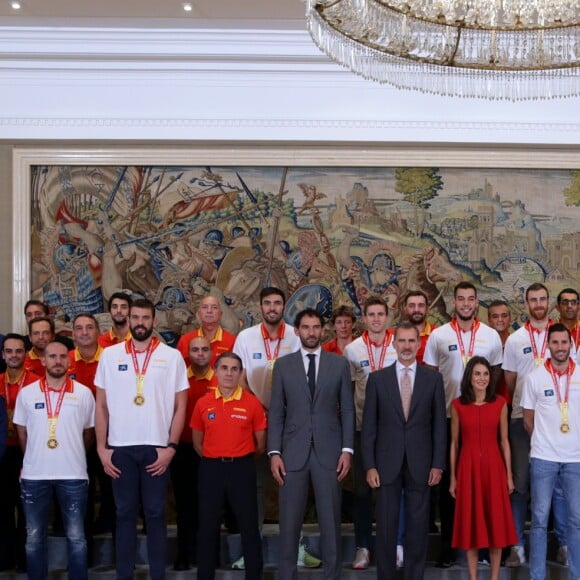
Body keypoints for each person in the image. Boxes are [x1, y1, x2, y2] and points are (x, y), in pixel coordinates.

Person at [94, 298, 188, 580]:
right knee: (123, 515)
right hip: (120, 449)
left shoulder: (172, 357)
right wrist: (101, 448)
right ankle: (125, 574)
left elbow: (180, 406)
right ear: (128, 320)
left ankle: (158, 574)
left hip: (156, 448)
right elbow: (100, 405)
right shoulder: (109, 356)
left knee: (156, 514)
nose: (139, 322)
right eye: (135, 317)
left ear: (154, 321)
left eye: (145, 318)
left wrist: (171, 447)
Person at [233, 287, 320, 569]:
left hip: (290, 424)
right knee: (255, 489)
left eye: (277, 303)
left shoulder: (295, 337)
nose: (272, 307)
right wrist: (259, 410)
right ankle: (251, 549)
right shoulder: (246, 338)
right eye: (267, 303)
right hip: (255, 424)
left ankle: (294, 548)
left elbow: (305, 377)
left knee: (291, 486)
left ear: (285, 307)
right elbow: (240, 379)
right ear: (260, 307)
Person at [268, 308, 355, 580]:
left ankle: (332, 576)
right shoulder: (283, 365)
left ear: (322, 330)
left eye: (316, 327)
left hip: (329, 453)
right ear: (297, 331)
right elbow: (277, 411)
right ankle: (287, 575)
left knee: (330, 522)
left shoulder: (338, 364)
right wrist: (274, 452)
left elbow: (348, 410)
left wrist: (347, 450)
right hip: (292, 453)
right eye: (306, 327)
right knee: (289, 522)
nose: (311, 332)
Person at [424, 281, 503, 567]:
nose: (466, 304)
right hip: (447, 417)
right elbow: (431, 378)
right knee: (448, 486)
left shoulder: (492, 336)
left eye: (471, 299)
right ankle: (447, 548)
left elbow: (495, 377)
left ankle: (484, 549)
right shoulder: (439, 335)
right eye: (461, 299)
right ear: (454, 302)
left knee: (482, 485)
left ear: (477, 302)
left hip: (481, 418)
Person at [361, 322, 446, 580]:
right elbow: (369, 428)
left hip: (421, 463)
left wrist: (437, 464)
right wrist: (370, 466)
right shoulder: (377, 379)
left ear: (418, 344)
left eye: (412, 341)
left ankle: (414, 575)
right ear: (393, 343)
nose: (407, 346)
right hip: (386, 463)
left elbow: (439, 425)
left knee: (418, 527)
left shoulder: (433, 379)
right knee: (386, 526)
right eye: (402, 341)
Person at [13, 341, 95, 580]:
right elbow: (21, 431)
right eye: (52, 356)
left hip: (73, 475)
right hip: (34, 476)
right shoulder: (27, 393)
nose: (57, 361)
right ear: (43, 360)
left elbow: (88, 432)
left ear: (69, 361)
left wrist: (74, 452)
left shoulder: (83, 393)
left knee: (77, 537)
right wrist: (34, 457)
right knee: (34, 538)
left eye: (62, 357)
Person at [192, 352, 266, 580]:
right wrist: (216, 458)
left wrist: (239, 459)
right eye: (224, 368)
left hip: (242, 469)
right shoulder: (203, 403)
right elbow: (197, 442)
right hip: (211, 469)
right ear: (216, 371)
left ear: (241, 373)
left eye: (234, 369)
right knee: (207, 528)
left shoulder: (252, 403)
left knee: (249, 528)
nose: (229, 373)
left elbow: (260, 444)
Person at [449, 356, 517, 580]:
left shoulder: (499, 404)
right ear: (469, 377)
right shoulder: (458, 405)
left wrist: (508, 475)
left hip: (494, 468)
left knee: (495, 522)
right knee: (471, 523)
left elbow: (504, 441)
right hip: (468, 469)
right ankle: (473, 577)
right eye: (477, 373)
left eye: (486, 374)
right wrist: (453, 477)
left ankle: (495, 577)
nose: (482, 378)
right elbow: (454, 443)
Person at [522, 323, 580, 580]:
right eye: (554, 342)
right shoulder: (535, 377)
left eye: (564, 342)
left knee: (577, 521)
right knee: (539, 521)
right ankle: (537, 576)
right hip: (544, 458)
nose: (559, 347)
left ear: (571, 345)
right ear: (548, 345)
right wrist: (545, 441)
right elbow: (527, 419)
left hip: (576, 459)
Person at [502, 282, 554, 567]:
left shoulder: (560, 337)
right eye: (533, 300)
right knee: (520, 484)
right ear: (526, 304)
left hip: (555, 422)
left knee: (555, 483)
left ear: (549, 302)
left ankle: (561, 545)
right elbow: (510, 381)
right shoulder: (515, 339)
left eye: (542, 299)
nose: (538, 304)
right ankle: (517, 546)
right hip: (521, 419)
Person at [343, 295, 397, 569]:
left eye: (380, 314)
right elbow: (349, 394)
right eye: (371, 314)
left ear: (387, 317)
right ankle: (363, 546)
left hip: (393, 432)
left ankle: (390, 546)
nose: (376, 319)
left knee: (390, 490)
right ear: (364, 318)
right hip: (363, 430)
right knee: (362, 492)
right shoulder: (352, 350)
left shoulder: (398, 346)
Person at [171, 335, 217, 571]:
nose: (200, 353)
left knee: (209, 506)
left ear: (211, 353)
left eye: (204, 349)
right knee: (184, 506)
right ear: (188, 353)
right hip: (184, 451)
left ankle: (209, 555)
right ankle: (183, 554)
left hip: (212, 452)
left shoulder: (220, 379)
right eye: (195, 350)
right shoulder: (179, 379)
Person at [0, 333, 38, 572]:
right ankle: (5, 558)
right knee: (3, 508)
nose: (14, 356)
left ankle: (26, 560)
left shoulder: (36, 382)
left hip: (29, 453)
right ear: (3, 354)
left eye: (18, 351)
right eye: (9, 351)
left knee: (27, 508)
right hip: (2, 454)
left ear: (25, 353)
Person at [177, 294, 236, 366]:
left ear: (220, 314)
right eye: (205, 307)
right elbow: (178, 371)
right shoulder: (185, 340)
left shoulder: (232, 341)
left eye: (214, 307)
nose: (209, 311)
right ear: (199, 314)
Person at [401, 290, 437, 365]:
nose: (416, 310)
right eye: (411, 306)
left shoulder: (438, 334)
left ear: (427, 309)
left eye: (421, 305)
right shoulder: (393, 335)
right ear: (405, 310)